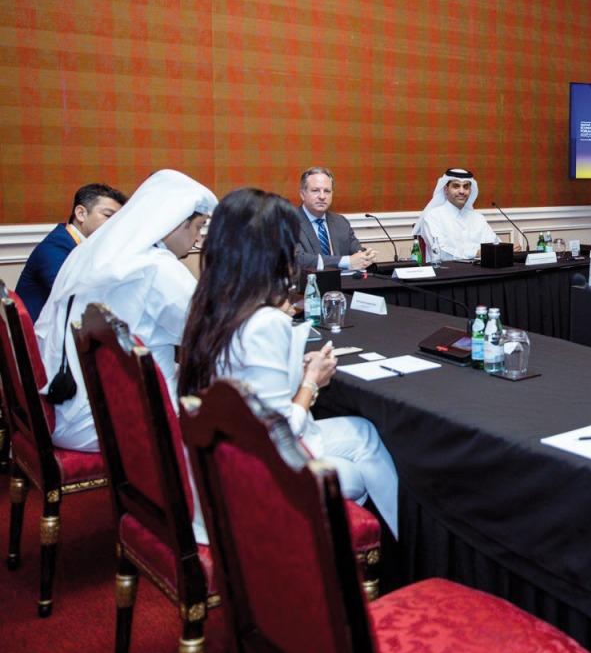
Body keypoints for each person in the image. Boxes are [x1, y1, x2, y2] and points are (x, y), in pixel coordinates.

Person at [178, 188, 399, 539]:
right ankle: (377, 550)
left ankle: (393, 544)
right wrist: (311, 382)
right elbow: (279, 429)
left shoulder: (209, 303)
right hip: (253, 470)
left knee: (365, 434)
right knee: (356, 475)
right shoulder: (265, 321)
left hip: (217, 456)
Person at [35, 170, 216, 452]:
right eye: (198, 226)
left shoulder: (92, 252)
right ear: (176, 222)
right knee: (230, 407)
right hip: (106, 419)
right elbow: (211, 334)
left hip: (63, 404)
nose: (196, 239)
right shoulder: (156, 266)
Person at [16, 183, 128, 322]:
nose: (115, 224)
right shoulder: (56, 247)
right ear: (81, 213)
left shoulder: (82, 243)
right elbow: (74, 297)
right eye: (108, 215)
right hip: (41, 335)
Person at [294, 167, 378, 271]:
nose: (322, 196)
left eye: (327, 191)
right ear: (303, 194)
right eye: (315, 190)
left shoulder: (340, 221)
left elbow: (356, 250)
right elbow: (298, 259)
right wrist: (346, 261)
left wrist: (366, 256)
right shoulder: (288, 222)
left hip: (344, 284)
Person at [411, 167, 500, 261]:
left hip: (482, 272)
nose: (462, 191)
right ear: (446, 189)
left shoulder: (478, 218)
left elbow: (494, 244)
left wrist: (506, 249)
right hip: (447, 273)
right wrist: (476, 253)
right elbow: (440, 253)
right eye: (456, 186)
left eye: (466, 187)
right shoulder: (433, 217)